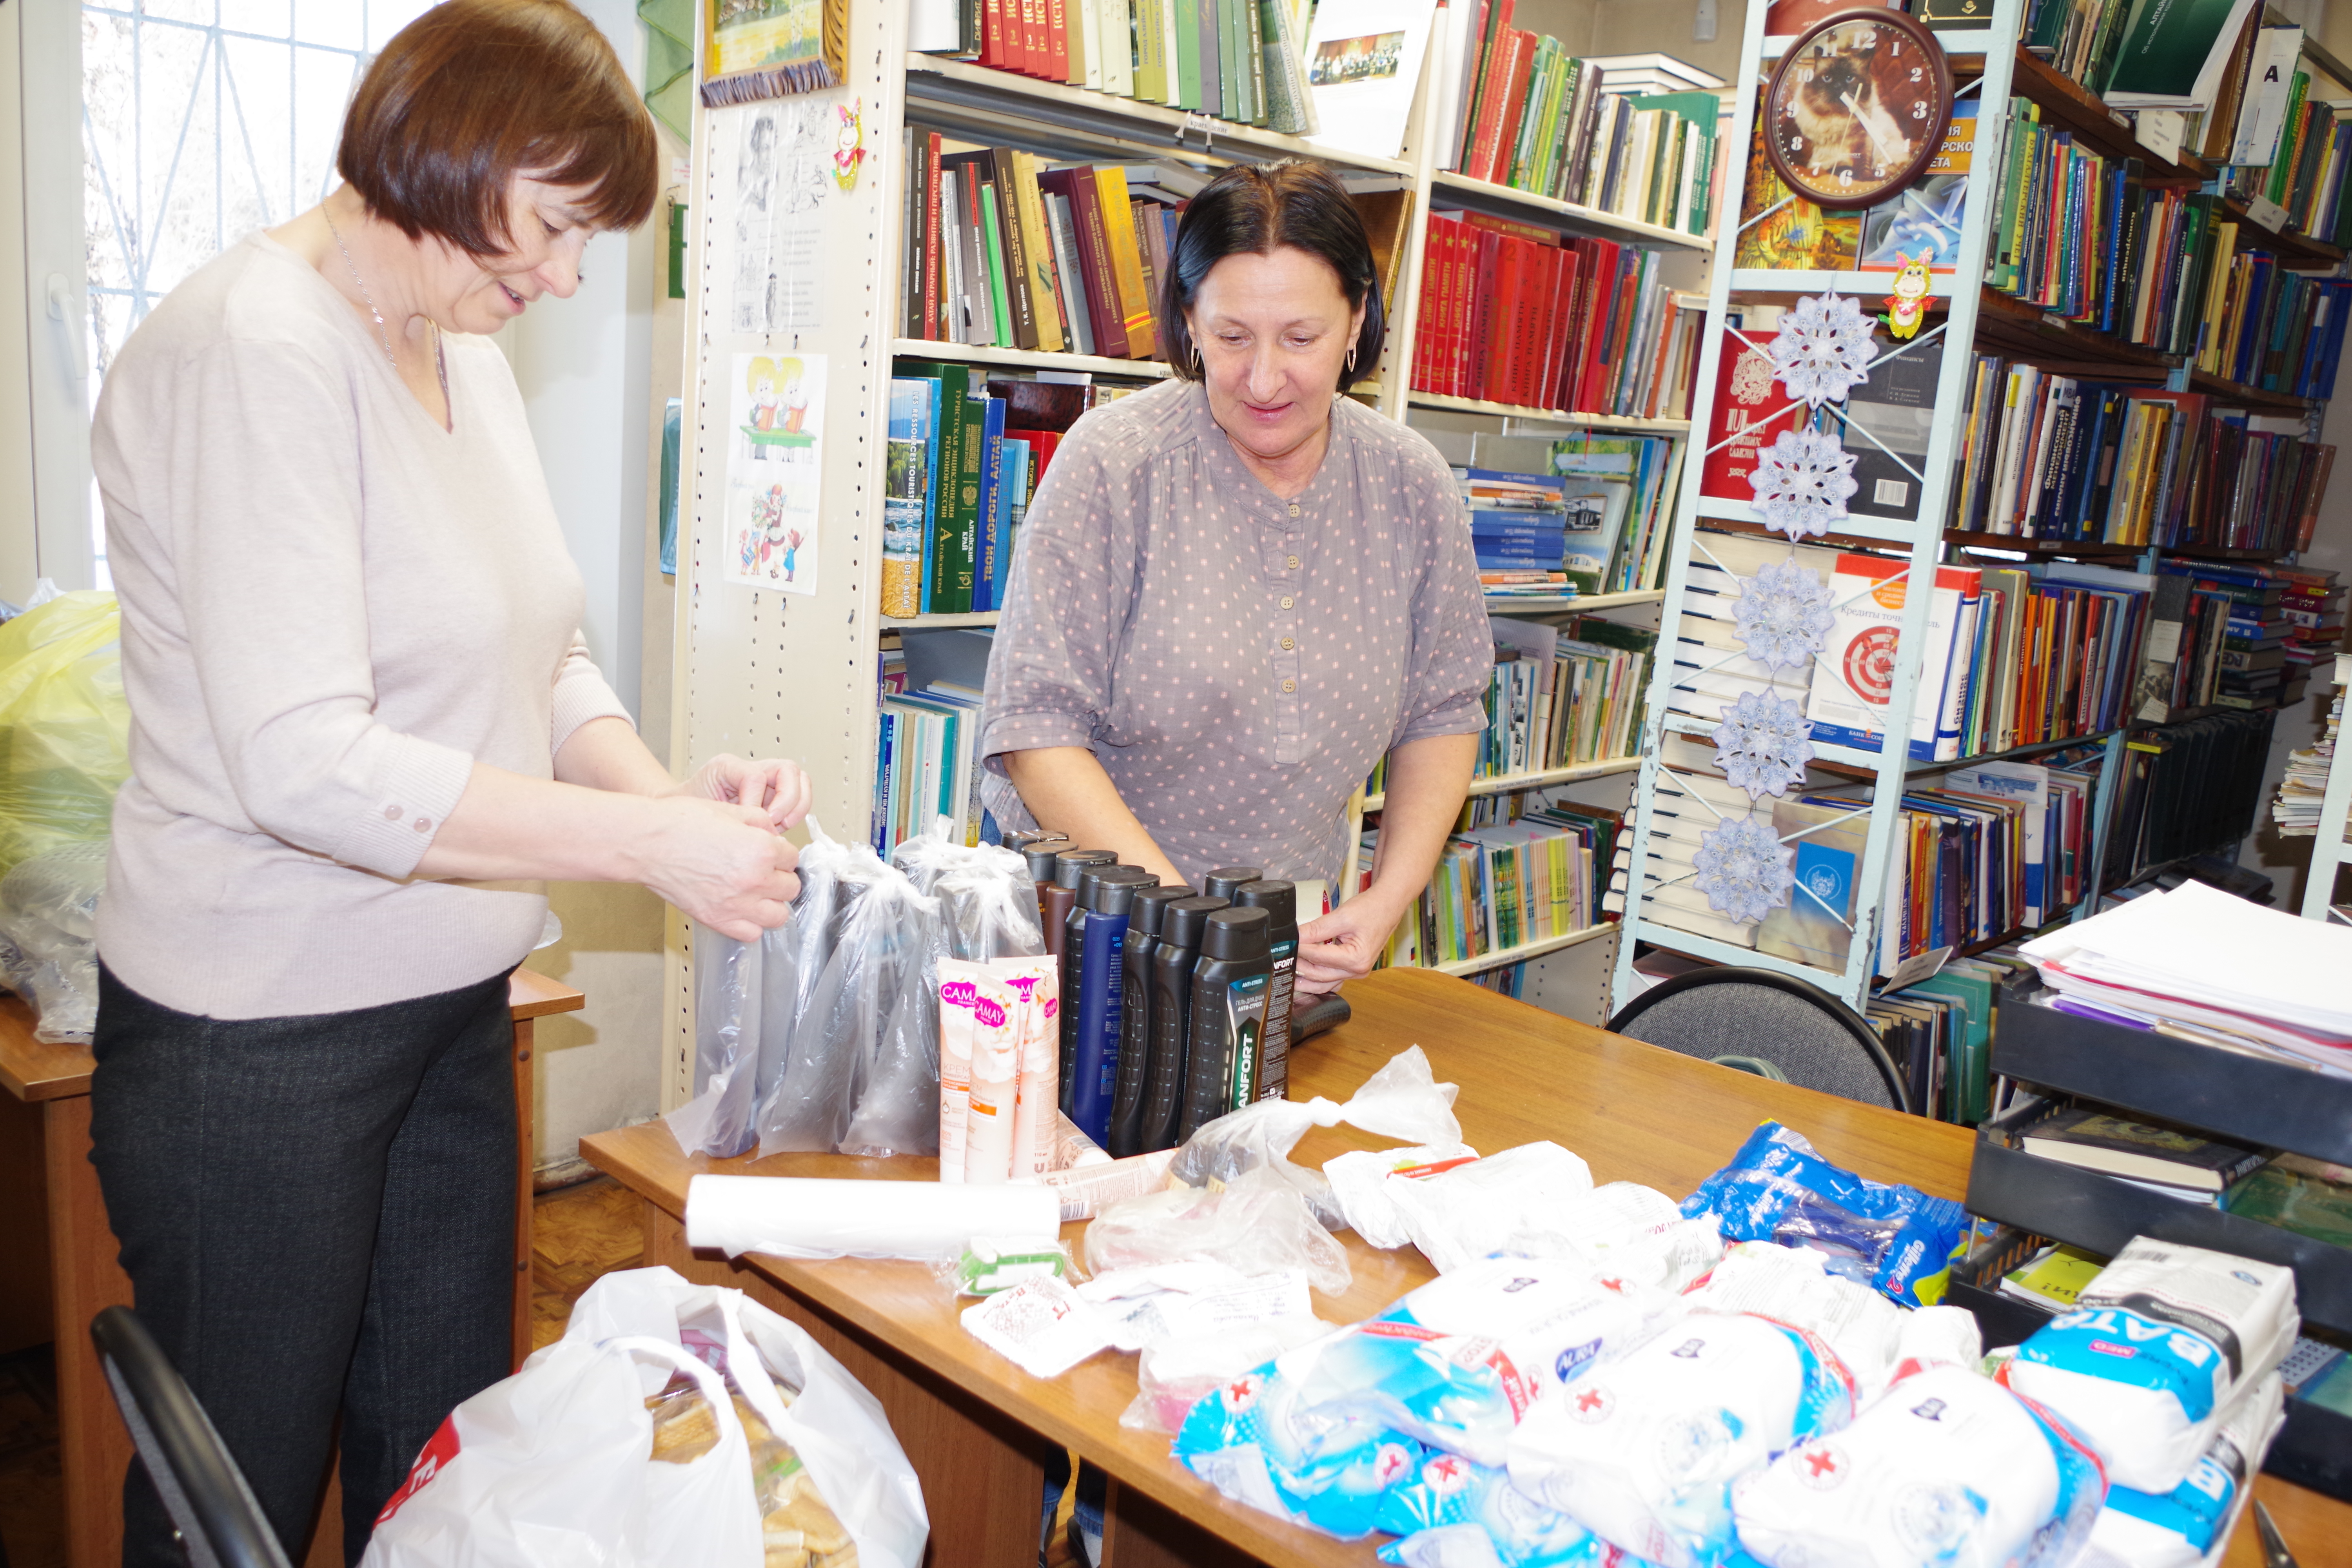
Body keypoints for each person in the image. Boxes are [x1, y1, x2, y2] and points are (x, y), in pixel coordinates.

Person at [85, 4, 804, 1563]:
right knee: (238, 1505)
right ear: (442, 153)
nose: (559, 280)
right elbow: (304, 763)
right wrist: (649, 848)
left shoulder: (459, 346)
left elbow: (543, 664)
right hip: (256, 1044)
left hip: (449, 1015)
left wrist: (675, 805)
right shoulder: (253, 348)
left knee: (451, 1470)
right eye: (548, 229)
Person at [980, 158, 1491, 1002]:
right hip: (1092, 946)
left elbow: (1442, 709)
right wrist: (1193, 929)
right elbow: (1036, 728)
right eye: (1231, 337)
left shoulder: (1411, 482)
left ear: (1357, 320)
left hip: (1286, 965)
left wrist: (1385, 899)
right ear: (1188, 324)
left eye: (1301, 338)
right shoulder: (1115, 464)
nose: (1262, 380)